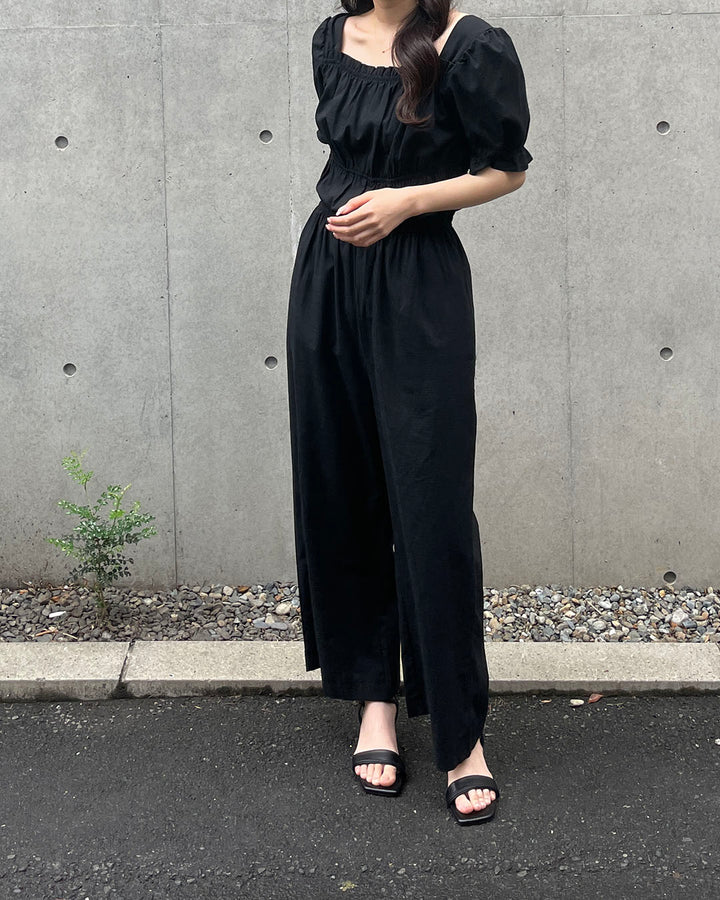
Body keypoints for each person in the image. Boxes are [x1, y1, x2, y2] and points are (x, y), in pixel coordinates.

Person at [285, 0, 532, 826]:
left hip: (420, 283)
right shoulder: (332, 38)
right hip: (327, 278)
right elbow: (344, 157)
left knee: (431, 504)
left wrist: (407, 202)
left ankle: (461, 734)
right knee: (342, 486)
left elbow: (508, 169)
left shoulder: (471, 45)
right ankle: (374, 701)